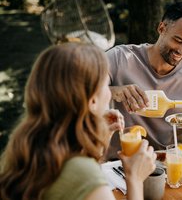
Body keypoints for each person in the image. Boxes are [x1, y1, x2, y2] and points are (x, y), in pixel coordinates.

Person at [0, 43, 156, 200]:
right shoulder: (83, 175)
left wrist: (98, 141)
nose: (110, 93)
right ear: (92, 100)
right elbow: (83, 177)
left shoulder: (24, 150)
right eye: (106, 86)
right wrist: (135, 179)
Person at [106, 0, 182, 160]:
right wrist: (113, 91)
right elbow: (78, 92)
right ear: (161, 28)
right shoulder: (120, 58)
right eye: (178, 41)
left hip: (167, 164)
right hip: (119, 162)